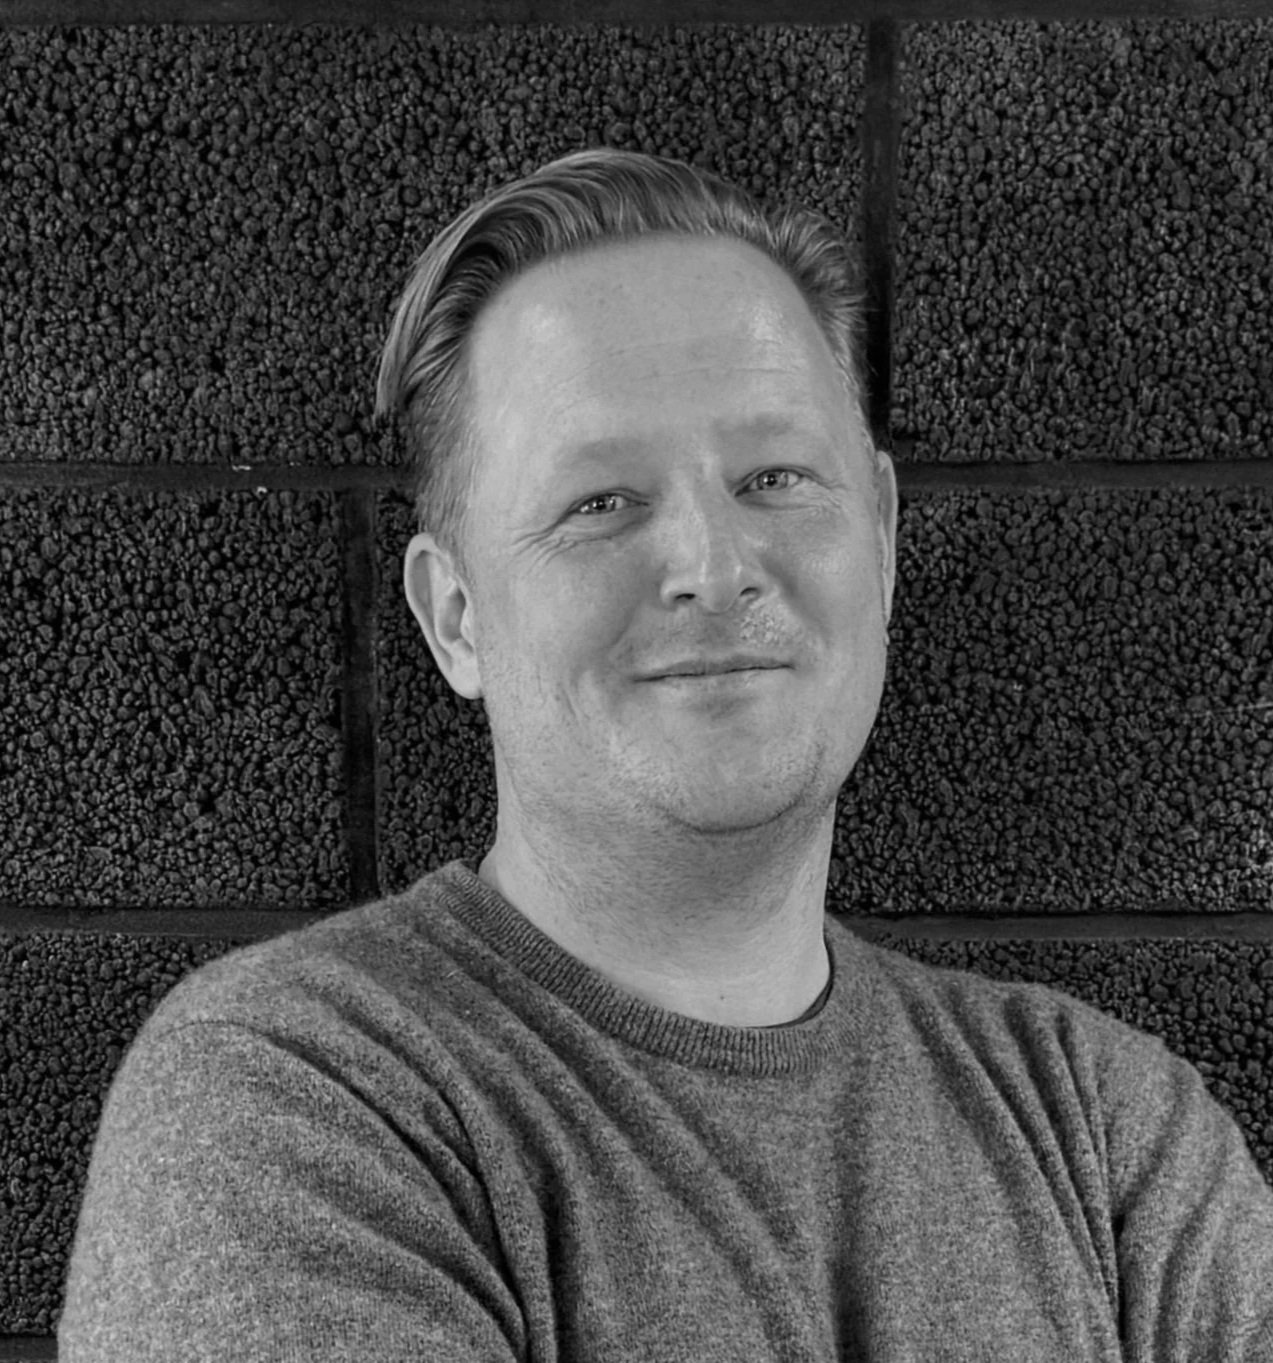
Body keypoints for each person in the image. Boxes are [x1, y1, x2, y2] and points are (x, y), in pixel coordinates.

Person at [59, 149, 1273, 1361]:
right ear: (456, 617)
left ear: (883, 540)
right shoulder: (295, 1094)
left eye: (775, 477)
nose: (716, 564)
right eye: (600, 501)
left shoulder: (1106, 1129)